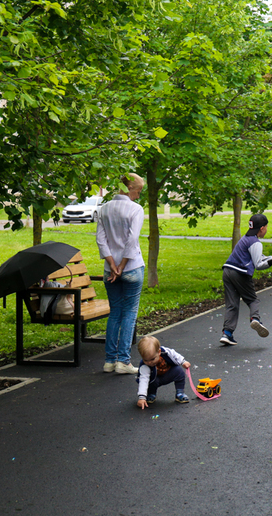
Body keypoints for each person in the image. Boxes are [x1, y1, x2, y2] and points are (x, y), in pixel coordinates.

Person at [96, 173, 145, 374]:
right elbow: (132, 240)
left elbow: (100, 240)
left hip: (110, 270)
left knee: (115, 312)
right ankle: (124, 361)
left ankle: (109, 361)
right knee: (129, 314)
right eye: (138, 191)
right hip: (132, 266)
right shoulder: (136, 209)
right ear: (128, 188)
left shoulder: (103, 209)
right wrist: (123, 265)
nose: (139, 196)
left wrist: (113, 265)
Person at [220, 213, 272, 346]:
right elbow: (258, 265)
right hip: (240, 274)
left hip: (227, 271)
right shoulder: (255, 242)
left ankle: (227, 333)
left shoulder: (245, 238)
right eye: (266, 226)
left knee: (232, 304)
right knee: (253, 300)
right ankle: (255, 319)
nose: (266, 229)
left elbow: (259, 257)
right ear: (262, 228)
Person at [135, 336, 191, 408]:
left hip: (167, 374)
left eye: (152, 359)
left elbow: (174, 354)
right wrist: (141, 397)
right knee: (150, 381)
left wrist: (183, 361)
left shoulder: (165, 352)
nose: (149, 362)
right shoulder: (144, 366)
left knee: (179, 371)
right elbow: (143, 380)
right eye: (146, 360)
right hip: (154, 379)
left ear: (158, 352)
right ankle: (151, 394)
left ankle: (180, 393)